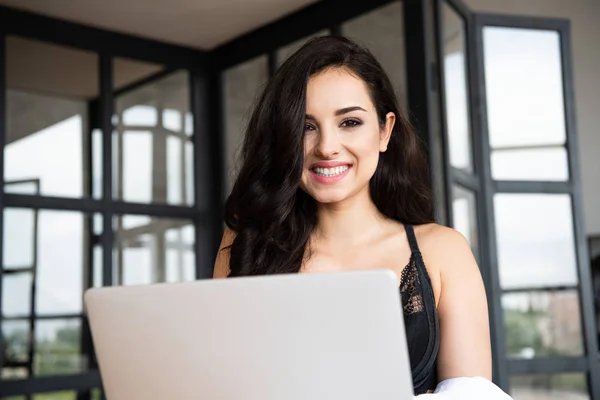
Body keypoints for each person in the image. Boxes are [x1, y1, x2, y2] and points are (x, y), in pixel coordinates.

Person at [213, 35, 511, 399]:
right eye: (306, 127)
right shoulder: (245, 244)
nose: (326, 146)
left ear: (385, 131)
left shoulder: (444, 250)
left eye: (349, 122)